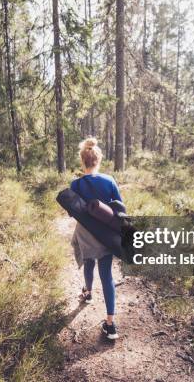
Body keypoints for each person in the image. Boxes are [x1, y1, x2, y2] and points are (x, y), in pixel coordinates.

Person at [70, 137, 123, 340]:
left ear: (82, 161)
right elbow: (120, 208)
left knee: (88, 262)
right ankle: (110, 325)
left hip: (85, 233)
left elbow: (71, 211)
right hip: (105, 234)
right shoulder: (109, 181)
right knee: (107, 275)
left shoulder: (75, 184)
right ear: (98, 160)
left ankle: (88, 293)